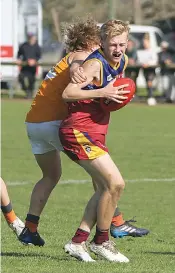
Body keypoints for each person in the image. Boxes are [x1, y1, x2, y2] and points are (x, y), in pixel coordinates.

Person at [19, 17, 149, 247]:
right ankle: (114, 224)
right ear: (92, 41)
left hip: (33, 123)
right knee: (103, 178)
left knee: (51, 176)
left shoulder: (74, 57)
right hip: (55, 123)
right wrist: (83, 74)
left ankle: (30, 228)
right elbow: (77, 66)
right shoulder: (82, 57)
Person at [58, 19, 140, 262]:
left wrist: (116, 97)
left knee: (105, 188)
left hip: (95, 131)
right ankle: (102, 242)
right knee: (116, 184)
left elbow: (113, 92)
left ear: (128, 43)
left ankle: (78, 241)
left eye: (122, 44)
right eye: (112, 44)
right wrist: (102, 92)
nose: (117, 49)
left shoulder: (122, 60)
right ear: (102, 42)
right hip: (77, 131)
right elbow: (68, 94)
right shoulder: (94, 64)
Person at [16, 33, 42, 99]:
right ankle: (27, 91)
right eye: (30, 38)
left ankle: (29, 94)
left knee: (31, 81)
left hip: (32, 68)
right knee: (20, 78)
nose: (31, 39)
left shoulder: (37, 46)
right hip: (24, 67)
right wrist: (19, 59)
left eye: (32, 38)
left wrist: (34, 61)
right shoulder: (23, 45)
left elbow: (39, 56)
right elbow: (19, 54)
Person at [137, 34, 158, 106]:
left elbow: (155, 60)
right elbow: (139, 60)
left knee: (149, 82)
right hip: (145, 69)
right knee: (147, 83)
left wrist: (148, 64)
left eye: (145, 43)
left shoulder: (152, 51)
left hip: (151, 69)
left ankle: (151, 97)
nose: (144, 44)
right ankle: (149, 97)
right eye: (143, 43)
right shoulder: (141, 51)